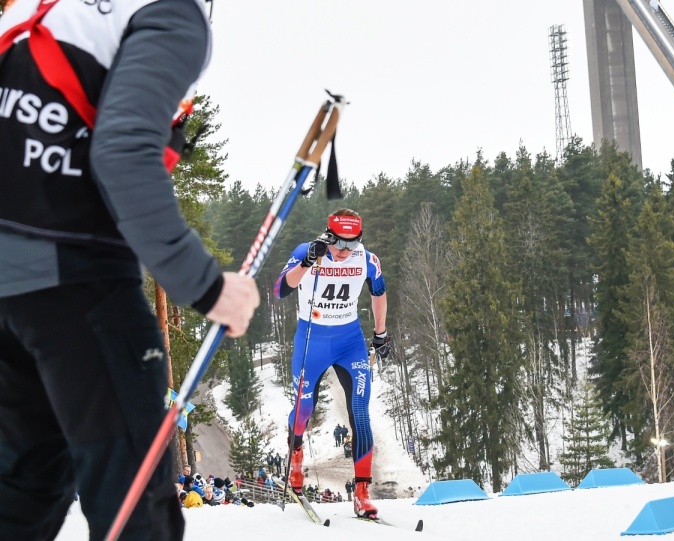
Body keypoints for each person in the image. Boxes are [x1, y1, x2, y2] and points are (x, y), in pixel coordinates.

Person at [0, 1, 261, 540]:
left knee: (22, 495)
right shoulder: (170, 14)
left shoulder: (39, 8)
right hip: (79, 286)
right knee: (134, 511)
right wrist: (208, 286)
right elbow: (121, 155)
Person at [274, 208, 392, 519]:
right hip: (311, 340)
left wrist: (381, 334)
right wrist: (306, 263)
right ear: (328, 236)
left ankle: (363, 493)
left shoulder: (367, 259)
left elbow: (379, 293)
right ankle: (296, 457)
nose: (343, 252)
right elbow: (280, 289)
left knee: (361, 413)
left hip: (349, 342)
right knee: (303, 408)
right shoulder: (307, 251)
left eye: (352, 245)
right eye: (338, 244)